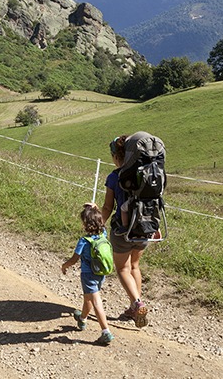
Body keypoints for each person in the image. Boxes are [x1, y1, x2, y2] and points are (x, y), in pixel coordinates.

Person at [99, 133, 154, 328]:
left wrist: (98, 225)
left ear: (116, 156)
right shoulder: (147, 174)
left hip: (123, 231)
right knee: (134, 267)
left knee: (122, 268)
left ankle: (138, 303)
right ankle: (133, 307)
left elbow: (107, 207)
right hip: (145, 229)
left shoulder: (114, 177)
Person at [61, 203, 115, 345]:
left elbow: (74, 259)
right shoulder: (103, 234)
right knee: (88, 298)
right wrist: (95, 208)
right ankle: (82, 319)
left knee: (96, 300)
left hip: (88, 274)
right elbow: (102, 222)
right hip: (100, 273)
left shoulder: (84, 241)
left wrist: (65, 266)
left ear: (85, 224)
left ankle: (106, 332)